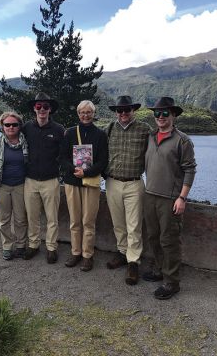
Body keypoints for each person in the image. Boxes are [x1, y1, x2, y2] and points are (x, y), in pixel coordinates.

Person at [143, 97, 197, 300]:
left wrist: (182, 198)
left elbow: (190, 170)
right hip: (150, 195)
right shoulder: (150, 137)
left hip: (170, 199)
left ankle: (172, 282)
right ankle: (159, 270)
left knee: (170, 240)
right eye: (157, 113)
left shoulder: (182, 140)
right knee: (153, 237)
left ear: (173, 115)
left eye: (165, 113)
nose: (161, 117)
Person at [105, 95, 150, 285]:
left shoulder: (145, 129)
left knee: (134, 225)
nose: (123, 113)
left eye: (126, 110)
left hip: (134, 183)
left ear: (133, 111)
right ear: (116, 112)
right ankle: (122, 252)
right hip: (112, 182)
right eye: (120, 110)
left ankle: (133, 261)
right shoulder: (109, 129)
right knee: (118, 223)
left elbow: (156, 153)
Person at [60, 100, 108, 272]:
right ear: (78, 114)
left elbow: (103, 161)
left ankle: (88, 255)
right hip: (72, 182)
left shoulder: (101, 135)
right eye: (82, 112)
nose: (85, 115)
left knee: (88, 221)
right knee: (75, 221)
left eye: (89, 112)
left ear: (93, 113)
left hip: (91, 183)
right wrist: (75, 170)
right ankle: (75, 252)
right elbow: (62, 157)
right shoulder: (70, 133)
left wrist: (86, 173)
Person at [22, 92, 65, 263]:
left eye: (45, 106)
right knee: (32, 216)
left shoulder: (58, 129)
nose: (42, 109)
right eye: (38, 106)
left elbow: (64, 154)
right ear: (34, 108)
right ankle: (33, 245)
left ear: (50, 109)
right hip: (30, 180)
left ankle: (51, 248)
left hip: (51, 181)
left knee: (52, 218)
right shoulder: (26, 128)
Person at [0, 112, 28, 260]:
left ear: (19, 126)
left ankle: (21, 245)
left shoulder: (26, 143)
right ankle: (7, 246)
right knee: (3, 220)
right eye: (7, 124)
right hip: (1, 186)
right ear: (2, 126)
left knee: (21, 219)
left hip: (21, 185)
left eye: (14, 124)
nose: (11, 127)